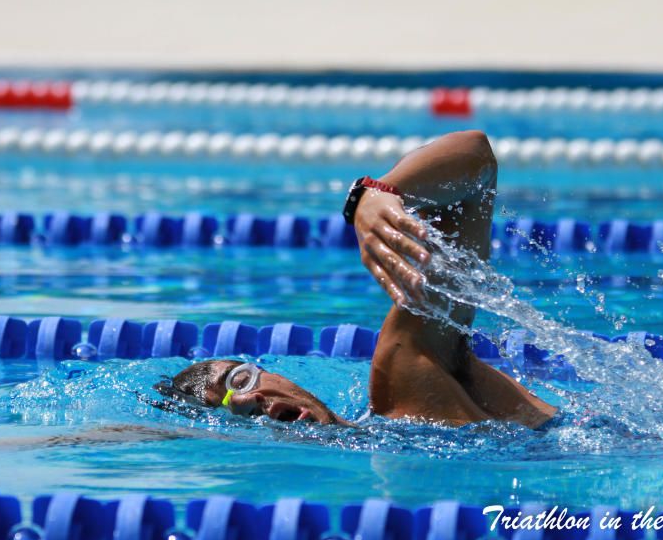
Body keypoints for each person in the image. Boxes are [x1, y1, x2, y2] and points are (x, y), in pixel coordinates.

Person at [156, 131, 558, 429]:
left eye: (241, 380)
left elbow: (477, 159)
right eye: (238, 414)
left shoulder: (406, 380)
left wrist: (372, 193)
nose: (255, 401)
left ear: (276, 374)